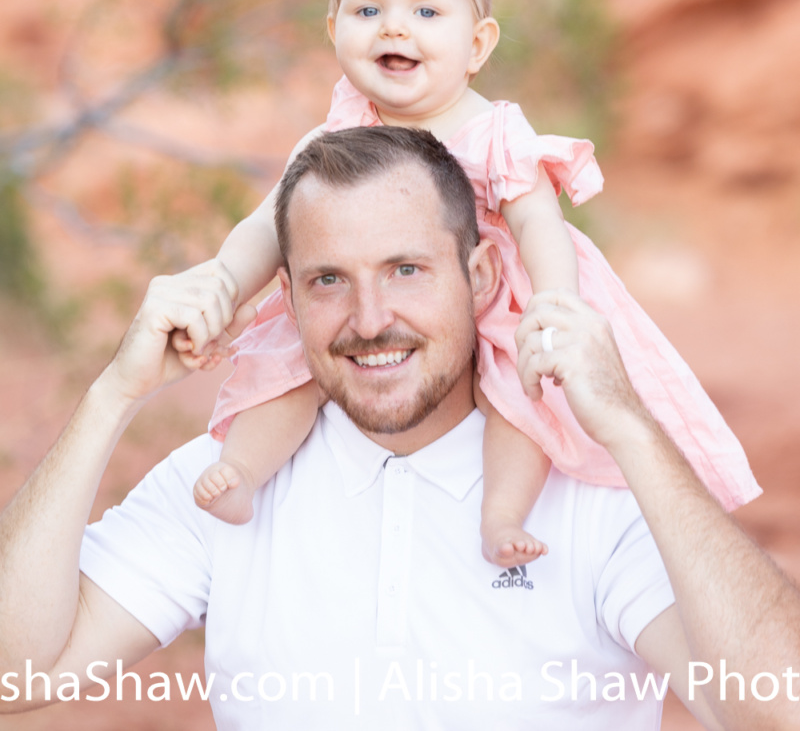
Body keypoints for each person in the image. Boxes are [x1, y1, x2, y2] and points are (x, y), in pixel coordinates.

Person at [0, 126, 797, 731]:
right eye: (329, 281)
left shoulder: (595, 494)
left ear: (479, 276)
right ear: (288, 293)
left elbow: (777, 704)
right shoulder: (223, 484)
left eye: (405, 270)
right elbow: (15, 676)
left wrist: (628, 428)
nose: (370, 320)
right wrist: (113, 393)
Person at [184, 0, 758, 568]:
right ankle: (243, 471)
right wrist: (222, 282)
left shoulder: (494, 131)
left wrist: (552, 304)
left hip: (501, 290)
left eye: (427, 13)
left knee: (522, 389)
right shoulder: (333, 136)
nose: (396, 28)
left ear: (478, 44)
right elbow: (268, 226)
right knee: (291, 356)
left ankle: (501, 514)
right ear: (334, 28)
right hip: (386, 289)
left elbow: (540, 224)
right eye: (369, 12)